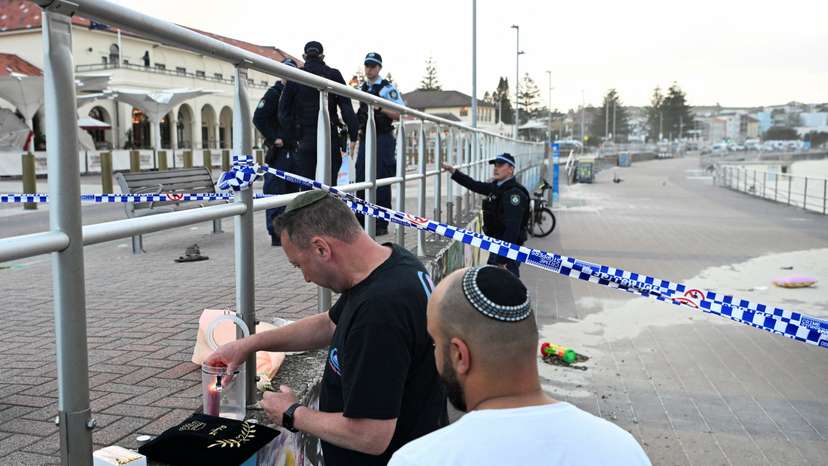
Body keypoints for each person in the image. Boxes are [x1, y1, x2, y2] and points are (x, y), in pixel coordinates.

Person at [206, 191, 447, 466]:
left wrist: (292, 413)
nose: (306, 278)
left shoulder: (380, 310)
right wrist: (248, 344)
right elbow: (330, 323)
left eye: (299, 265)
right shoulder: (394, 264)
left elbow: (371, 435)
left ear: (321, 248)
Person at [389, 266, 652, 466]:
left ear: (460, 355)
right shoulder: (622, 450)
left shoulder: (421, 459)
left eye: (435, 343)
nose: (434, 354)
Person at [279, 41, 359, 185]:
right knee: (329, 188)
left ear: (304, 56)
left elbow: (283, 112)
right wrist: (353, 134)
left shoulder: (296, 76)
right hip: (329, 138)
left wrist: (295, 136)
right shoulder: (333, 75)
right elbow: (346, 107)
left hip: (305, 140)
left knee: (306, 188)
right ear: (322, 56)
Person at [442, 153, 530, 276]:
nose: (495, 168)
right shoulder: (497, 187)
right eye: (495, 165)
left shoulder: (514, 194)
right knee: (495, 288)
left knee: (508, 288)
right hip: (496, 246)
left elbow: (512, 229)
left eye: (500, 165)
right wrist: (453, 171)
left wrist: (502, 259)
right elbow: (474, 185)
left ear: (511, 169)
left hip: (506, 251)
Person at [354, 52, 405, 236]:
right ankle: (361, 220)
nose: (369, 69)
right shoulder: (362, 88)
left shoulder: (386, 89)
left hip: (383, 138)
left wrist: (381, 107)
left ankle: (381, 223)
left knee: (382, 179)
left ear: (379, 68)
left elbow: (399, 112)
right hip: (366, 137)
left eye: (373, 66)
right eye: (367, 65)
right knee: (361, 176)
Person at [253, 57, 298, 246]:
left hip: (294, 150)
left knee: (291, 192)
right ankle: (276, 234)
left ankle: (289, 232)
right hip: (279, 151)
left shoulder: (296, 94)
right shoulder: (274, 93)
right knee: (275, 191)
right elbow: (259, 118)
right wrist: (274, 138)